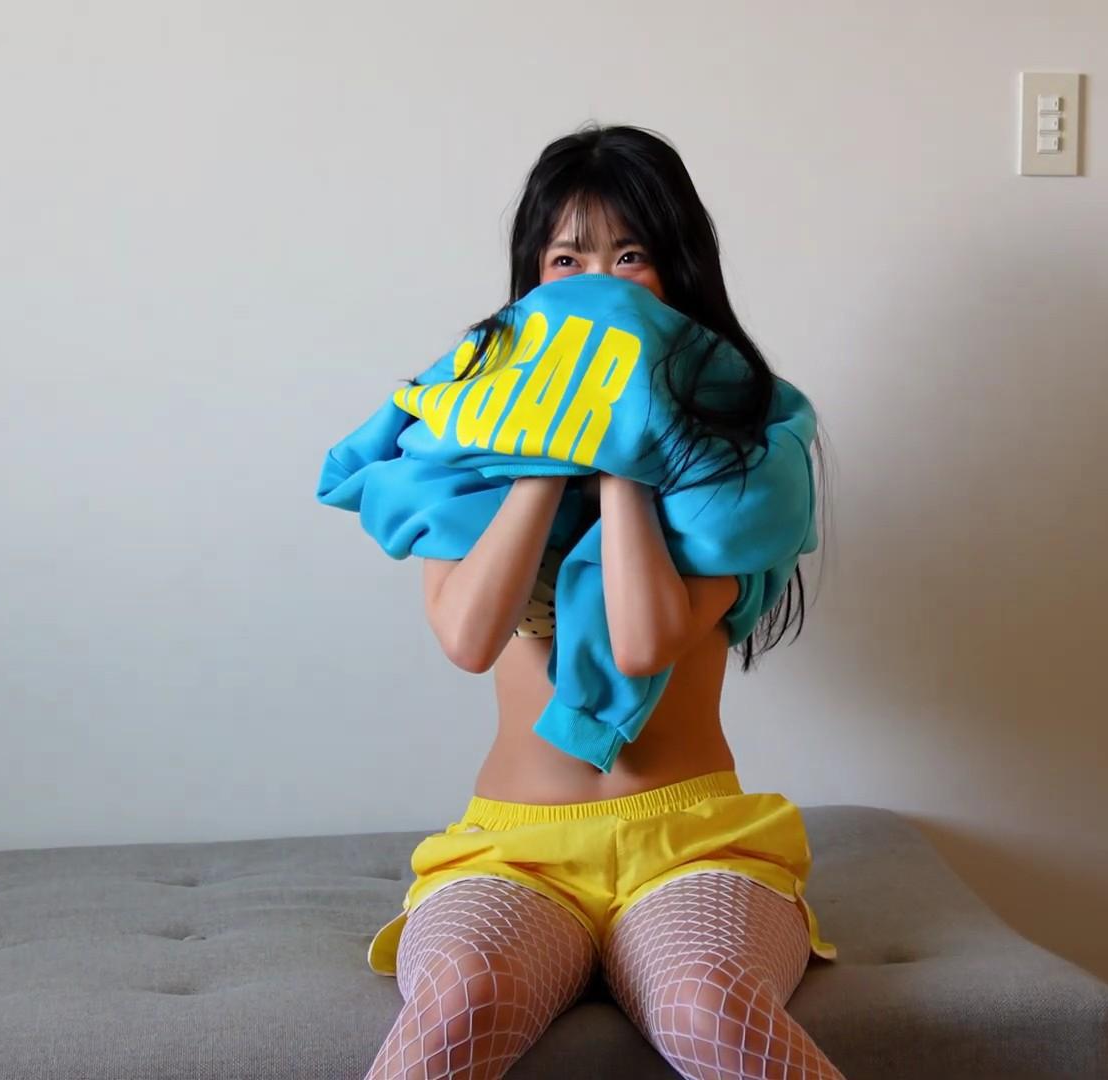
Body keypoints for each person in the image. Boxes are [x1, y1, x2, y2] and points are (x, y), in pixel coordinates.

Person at [356, 125, 844, 1080]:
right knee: (462, 996)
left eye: (630, 257)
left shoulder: (744, 454)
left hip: (695, 843)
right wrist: (547, 450)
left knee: (708, 1002)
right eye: (567, 259)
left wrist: (626, 447)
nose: (599, 282)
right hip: (511, 850)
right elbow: (468, 637)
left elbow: (641, 643)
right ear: (532, 283)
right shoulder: (460, 441)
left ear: (677, 275)